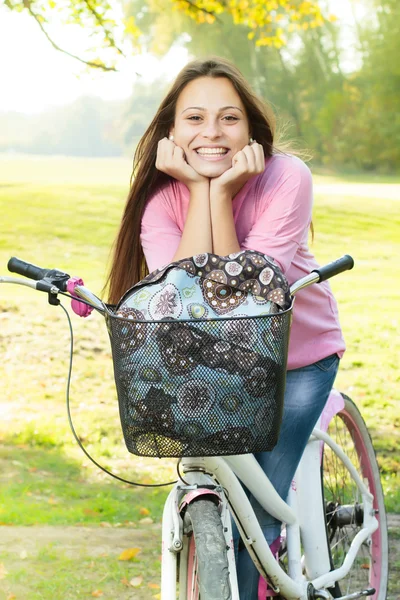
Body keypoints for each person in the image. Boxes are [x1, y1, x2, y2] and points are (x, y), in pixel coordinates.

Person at [107, 56, 345, 599]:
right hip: (213, 367)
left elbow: (241, 302)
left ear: (252, 129)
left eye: (228, 118)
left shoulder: (286, 177)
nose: (211, 133)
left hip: (296, 362)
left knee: (257, 522)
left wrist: (217, 190)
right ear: (171, 131)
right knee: (218, 492)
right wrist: (202, 190)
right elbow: (181, 302)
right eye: (194, 118)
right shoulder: (161, 202)